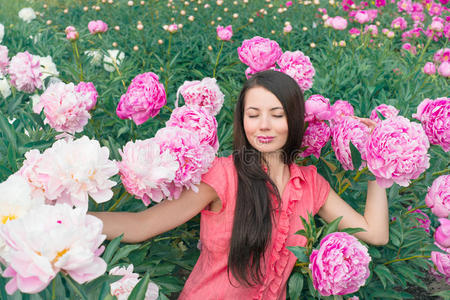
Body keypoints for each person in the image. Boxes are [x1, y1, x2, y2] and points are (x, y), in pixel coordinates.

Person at [90, 70, 389, 299]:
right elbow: (142, 225)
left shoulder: (310, 184)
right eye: (253, 115)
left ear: (295, 119)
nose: (263, 126)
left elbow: (375, 233)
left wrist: (379, 159)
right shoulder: (223, 175)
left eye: (277, 114)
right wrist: (64, 221)